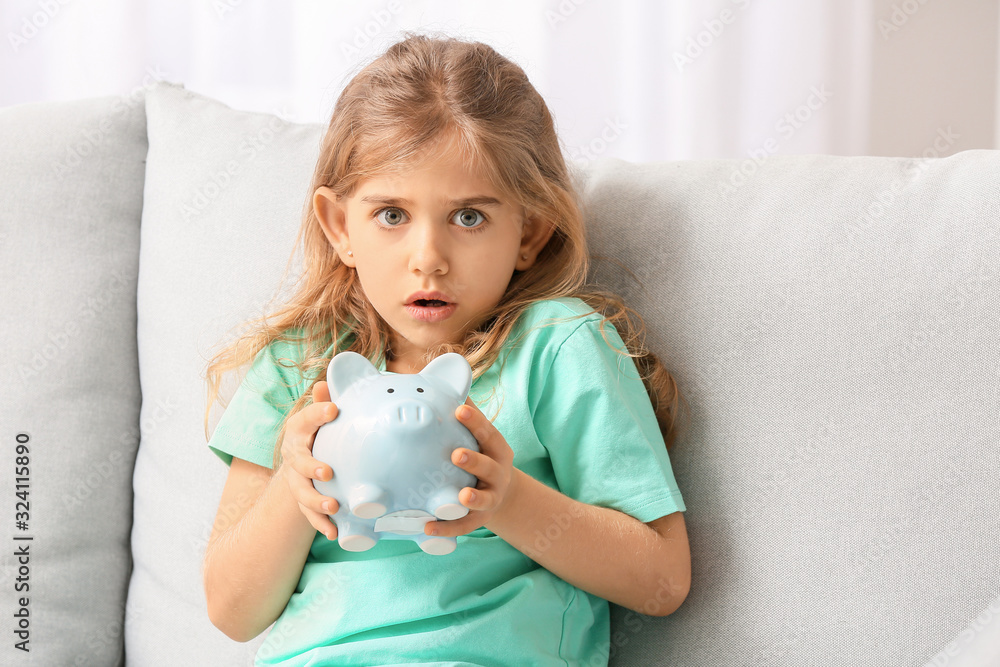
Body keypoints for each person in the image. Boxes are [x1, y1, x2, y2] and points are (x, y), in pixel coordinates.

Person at [202, 32, 691, 666]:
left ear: (529, 233)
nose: (428, 258)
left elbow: (661, 581)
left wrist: (507, 499)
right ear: (340, 226)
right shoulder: (298, 362)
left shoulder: (555, 347)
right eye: (392, 215)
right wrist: (294, 489)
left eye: (468, 217)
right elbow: (232, 611)